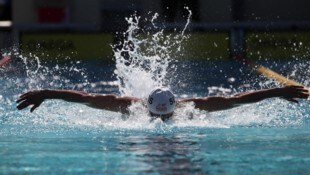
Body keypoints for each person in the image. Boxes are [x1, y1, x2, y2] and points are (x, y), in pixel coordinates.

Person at [17, 85, 309, 121]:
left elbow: (236, 101)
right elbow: (84, 98)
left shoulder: (192, 106)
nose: (161, 121)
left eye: (165, 116)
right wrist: (47, 93)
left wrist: (276, 91)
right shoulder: (124, 105)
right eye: (157, 117)